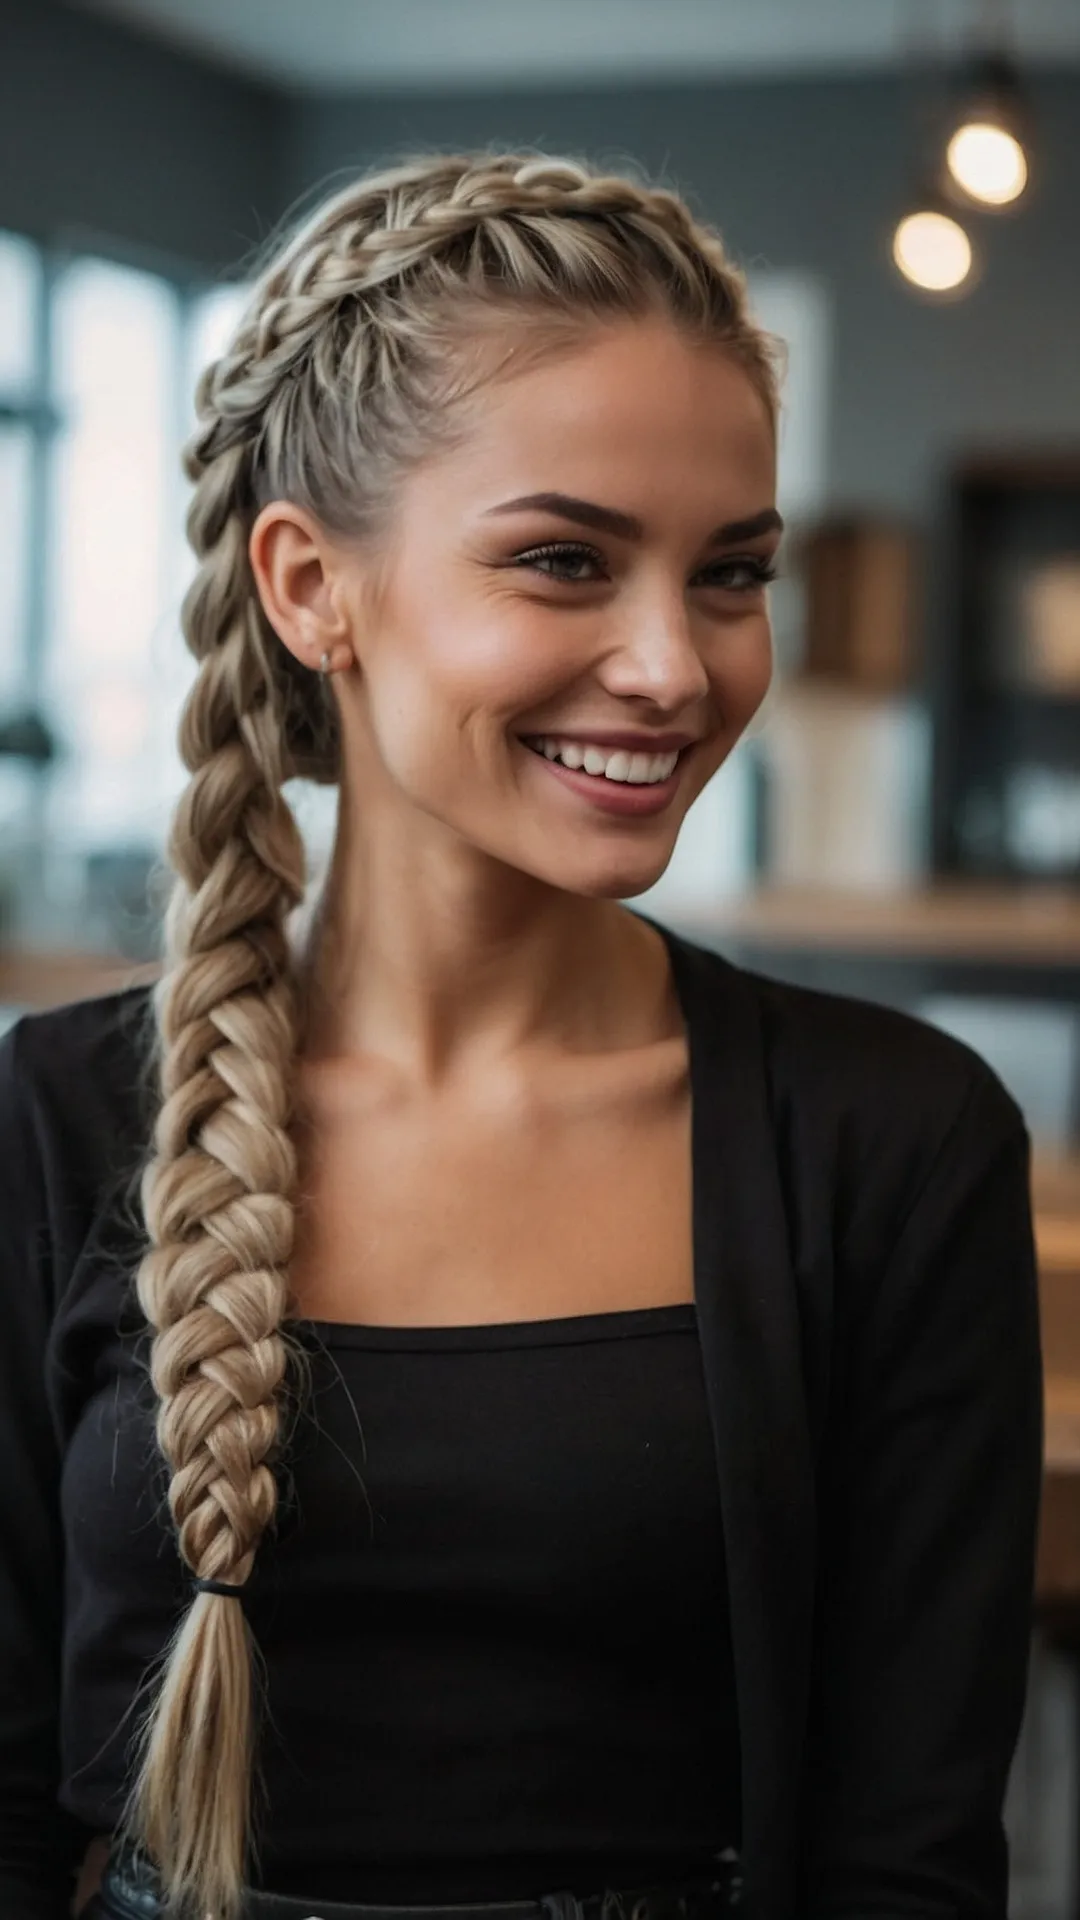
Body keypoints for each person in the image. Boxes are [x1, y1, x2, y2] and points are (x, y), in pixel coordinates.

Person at [0, 149, 1042, 1920]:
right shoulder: (53, 1120)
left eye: (730, 574)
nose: (675, 666)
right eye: (564, 560)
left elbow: (907, 1856)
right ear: (311, 586)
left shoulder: (895, 1141)